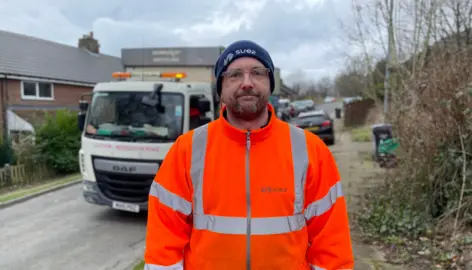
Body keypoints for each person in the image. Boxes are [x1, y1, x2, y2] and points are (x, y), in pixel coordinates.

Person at [143, 40, 354, 270]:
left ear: (270, 83)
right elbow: (164, 242)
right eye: (234, 75)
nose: (247, 83)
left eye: (257, 73)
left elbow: (332, 245)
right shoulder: (187, 150)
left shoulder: (310, 149)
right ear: (220, 89)